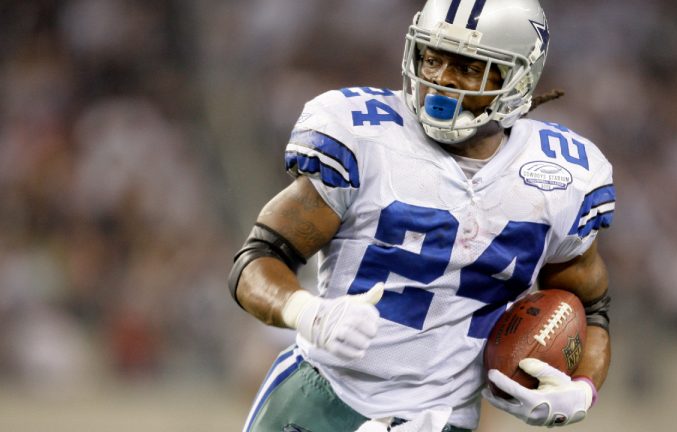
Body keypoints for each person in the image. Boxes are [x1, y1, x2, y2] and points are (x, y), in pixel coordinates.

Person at [227, 0, 615, 430]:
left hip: (442, 420)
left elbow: (590, 306)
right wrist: (309, 313)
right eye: (432, 59)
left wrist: (582, 388)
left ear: (518, 79)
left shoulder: (563, 176)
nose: (441, 80)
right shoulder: (364, 135)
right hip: (324, 401)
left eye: (469, 67)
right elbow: (257, 259)